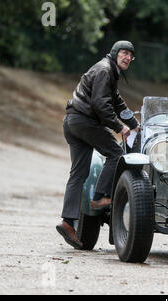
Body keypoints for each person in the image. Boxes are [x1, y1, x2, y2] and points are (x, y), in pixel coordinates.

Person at [56, 40, 139, 249]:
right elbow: (100, 104)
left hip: (72, 122)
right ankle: (100, 198)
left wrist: (136, 124)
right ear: (114, 53)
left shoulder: (108, 70)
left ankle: (67, 222)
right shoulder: (104, 70)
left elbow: (117, 102)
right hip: (85, 121)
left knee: (78, 174)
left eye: (130, 55)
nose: (127, 57)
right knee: (116, 154)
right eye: (123, 53)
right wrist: (120, 128)